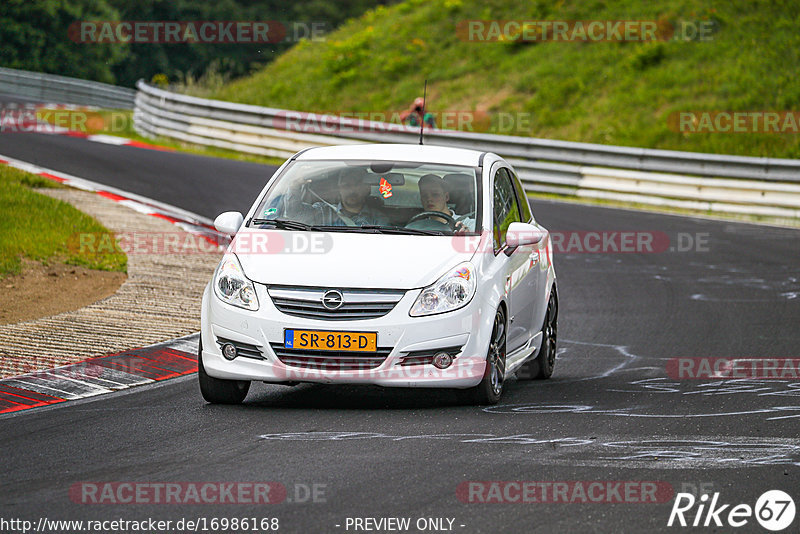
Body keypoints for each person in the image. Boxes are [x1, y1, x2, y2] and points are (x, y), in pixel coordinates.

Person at [283, 167, 389, 227]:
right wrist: (294, 186)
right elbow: (294, 214)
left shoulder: (379, 220)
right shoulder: (322, 211)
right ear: (339, 189)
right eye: (346, 185)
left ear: (367, 189)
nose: (352, 190)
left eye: (357, 184)